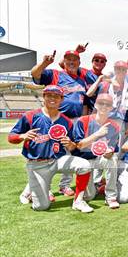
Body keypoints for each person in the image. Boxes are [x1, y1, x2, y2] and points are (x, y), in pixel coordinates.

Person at [7, 85, 93, 213]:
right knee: (42, 206)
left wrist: (70, 144)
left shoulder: (67, 121)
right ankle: (30, 192)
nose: (53, 98)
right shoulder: (30, 116)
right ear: (44, 97)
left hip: (58, 160)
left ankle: (78, 201)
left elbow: (72, 146)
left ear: (61, 99)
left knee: (85, 165)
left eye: (56, 96)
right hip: (37, 165)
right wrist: (22, 136)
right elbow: (11, 137)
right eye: (49, 95)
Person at [31, 50, 89, 197]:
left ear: (79, 63)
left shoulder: (81, 80)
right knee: (49, 152)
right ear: (64, 61)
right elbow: (35, 75)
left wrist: (82, 120)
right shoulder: (55, 74)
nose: (71, 62)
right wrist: (44, 63)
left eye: (75, 59)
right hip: (56, 119)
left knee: (70, 152)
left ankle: (65, 185)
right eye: (68, 59)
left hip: (75, 121)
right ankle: (46, 187)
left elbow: (82, 103)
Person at [72, 94, 121, 209]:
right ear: (96, 105)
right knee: (89, 196)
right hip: (85, 160)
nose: (104, 106)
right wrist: (97, 134)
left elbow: (113, 148)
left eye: (107, 104)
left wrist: (110, 151)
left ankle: (110, 196)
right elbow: (79, 145)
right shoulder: (83, 120)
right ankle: (97, 186)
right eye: (101, 103)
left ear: (111, 107)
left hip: (101, 159)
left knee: (112, 159)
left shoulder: (114, 126)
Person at [87, 61, 128, 145]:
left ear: (126, 71)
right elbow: (89, 94)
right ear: (114, 70)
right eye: (118, 69)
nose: (121, 71)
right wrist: (99, 79)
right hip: (104, 118)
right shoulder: (105, 84)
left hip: (120, 120)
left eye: (123, 69)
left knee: (116, 146)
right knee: (100, 142)